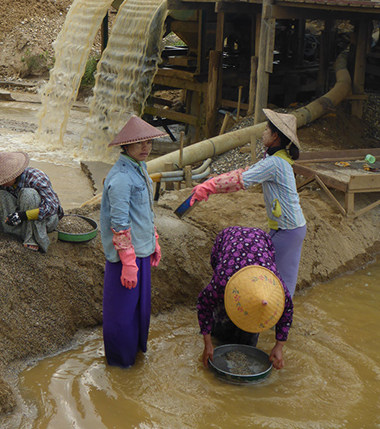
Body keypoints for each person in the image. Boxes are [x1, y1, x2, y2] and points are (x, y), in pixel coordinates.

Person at [189, 108, 306, 296]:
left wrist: (210, 186)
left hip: (289, 229)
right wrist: (213, 180)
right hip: (287, 226)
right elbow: (244, 171)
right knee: (280, 276)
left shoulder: (274, 163)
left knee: (277, 277)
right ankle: (278, 317)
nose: (263, 133)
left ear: (275, 135)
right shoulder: (275, 158)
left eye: (266, 130)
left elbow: (242, 180)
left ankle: (279, 316)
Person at [99, 115, 167, 367]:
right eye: (139, 143)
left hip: (142, 251)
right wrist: (128, 262)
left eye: (148, 142)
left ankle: (136, 355)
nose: (145, 147)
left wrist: (154, 241)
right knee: (122, 315)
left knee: (140, 309)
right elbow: (119, 225)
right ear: (125, 146)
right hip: (125, 260)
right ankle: (119, 363)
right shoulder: (120, 179)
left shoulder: (141, 169)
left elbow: (145, 212)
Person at [197, 226, 293, 370]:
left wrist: (279, 346)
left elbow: (287, 312)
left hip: (262, 240)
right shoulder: (223, 280)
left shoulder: (277, 288)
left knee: (250, 335)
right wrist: (208, 344)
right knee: (221, 312)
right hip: (229, 239)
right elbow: (204, 304)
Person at [0, 151, 63, 252]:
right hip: (18, 222)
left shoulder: (36, 178)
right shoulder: (1, 183)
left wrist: (22, 215)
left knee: (28, 194)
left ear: (14, 173)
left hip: (43, 220)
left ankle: (31, 239)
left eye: (5, 179)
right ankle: (1, 235)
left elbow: (53, 207)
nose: (2, 182)